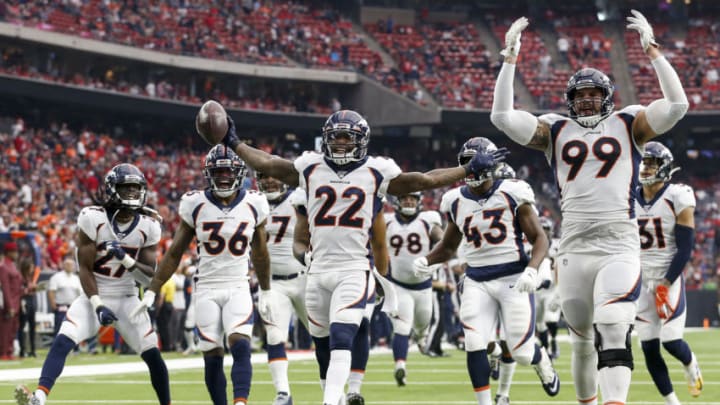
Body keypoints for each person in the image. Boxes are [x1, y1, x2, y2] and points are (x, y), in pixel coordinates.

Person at [218, 109, 492, 405]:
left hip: (353, 268)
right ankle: (331, 395)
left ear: (361, 140)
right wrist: (233, 142)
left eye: (347, 138)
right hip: (318, 270)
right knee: (322, 346)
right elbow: (269, 163)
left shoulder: (377, 171)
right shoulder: (311, 167)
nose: (340, 144)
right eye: (335, 137)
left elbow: (423, 181)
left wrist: (467, 170)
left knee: (342, 336)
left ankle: (331, 401)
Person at [489, 10, 689, 405]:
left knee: (614, 326)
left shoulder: (629, 122)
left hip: (618, 241)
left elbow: (678, 105)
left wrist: (653, 53)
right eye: (580, 95)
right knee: (581, 342)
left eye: (594, 94)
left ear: (608, 97)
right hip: (575, 246)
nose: (587, 101)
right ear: (570, 100)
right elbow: (501, 117)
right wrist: (509, 62)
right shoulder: (555, 129)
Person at [413, 138, 559, 405]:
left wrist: (532, 269)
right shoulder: (455, 200)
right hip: (477, 280)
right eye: (467, 164)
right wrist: (427, 260)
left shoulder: (513, 192)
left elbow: (540, 238)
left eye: (477, 164)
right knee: (474, 341)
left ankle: (542, 361)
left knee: (522, 353)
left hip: (513, 278)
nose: (473, 170)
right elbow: (447, 247)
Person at [15, 164, 171, 405]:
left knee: (152, 354)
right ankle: (39, 396)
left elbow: (148, 278)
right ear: (112, 189)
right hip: (95, 293)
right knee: (63, 338)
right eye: (125, 188)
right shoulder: (92, 218)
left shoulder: (148, 226)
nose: (131, 193)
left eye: (135, 188)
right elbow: (85, 269)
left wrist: (126, 259)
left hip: (129, 298)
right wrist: (97, 304)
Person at [131, 145, 273, 405]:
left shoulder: (254, 202)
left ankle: (240, 402)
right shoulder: (195, 203)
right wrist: (152, 289)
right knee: (212, 353)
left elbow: (261, 254)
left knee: (240, 343)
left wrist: (266, 290)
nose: (223, 177)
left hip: (238, 284)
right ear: (209, 174)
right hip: (206, 287)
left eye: (228, 172)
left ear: (239, 173)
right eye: (218, 172)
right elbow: (174, 252)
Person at [290, 185, 388, 405]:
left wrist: (381, 276)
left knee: (356, 325)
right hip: (320, 272)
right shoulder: (310, 185)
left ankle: (351, 389)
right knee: (323, 343)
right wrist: (304, 257)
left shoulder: (369, 182)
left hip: (358, 269)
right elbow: (298, 242)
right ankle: (337, 397)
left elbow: (380, 243)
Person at [635, 142, 703, 404]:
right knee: (648, 347)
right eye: (644, 162)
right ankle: (672, 402)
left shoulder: (678, 195)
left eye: (652, 163)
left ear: (664, 167)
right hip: (641, 278)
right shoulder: (630, 195)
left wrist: (666, 282)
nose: (646, 167)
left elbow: (686, 248)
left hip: (668, 274)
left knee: (671, 341)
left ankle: (691, 366)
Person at [256, 171, 309, 405]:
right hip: (272, 283)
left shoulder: (299, 199)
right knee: (275, 336)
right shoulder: (252, 204)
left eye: (272, 176)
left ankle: (334, 390)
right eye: (263, 177)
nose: (269, 180)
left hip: (304, 278)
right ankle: (283, 393)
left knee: (324, 334)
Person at [384, 191, 443, 385]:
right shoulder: (387, 222)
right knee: (402, 326)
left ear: (419, 202)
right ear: (397, 201)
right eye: (404, 197)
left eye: (412, 198)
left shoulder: (427, 220)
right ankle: (400, 364)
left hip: (424, 286)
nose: (408, 201)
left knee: (421, 325)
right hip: (398, 285)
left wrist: (435, 260)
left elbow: (442, 241)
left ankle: (420, 338)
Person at [534, 217, 561, 360]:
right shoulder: (530, 245)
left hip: (553, 288)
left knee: (550, 318)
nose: (544, 233)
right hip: (536, 289)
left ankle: (554, 341)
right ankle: (545, 347)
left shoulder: (558, 245)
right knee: (539, 322)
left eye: (546, 230)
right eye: (541, 229)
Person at [0, 241, 22, 360]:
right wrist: (9, 306)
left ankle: (9, 351)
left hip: (16, 302)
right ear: (8, 252)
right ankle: (3, 352)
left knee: (13, 329)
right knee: (5, 329)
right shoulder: (3, 266)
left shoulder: (13, 265)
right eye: (14, 251)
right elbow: (5, 288)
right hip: (9, 304)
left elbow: (17, 287)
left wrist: (28, 290)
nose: (17, 253)